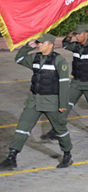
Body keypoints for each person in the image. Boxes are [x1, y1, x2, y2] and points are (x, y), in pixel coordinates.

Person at [0, 34, 73, 169]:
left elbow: (64, 83)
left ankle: (67, 154)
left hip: (51, 101)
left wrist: (63, 104)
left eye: (41, 43)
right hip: (34, 100)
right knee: (22, 127)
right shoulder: (35, 57)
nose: (39, 45)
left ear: (50, 44)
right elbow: (19, 58)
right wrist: (28, 46)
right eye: (38, 43)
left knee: (60, 129)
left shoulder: (59, 60)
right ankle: (12, 157)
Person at [40, 25, 88, 143]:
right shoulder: (76, 46)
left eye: (79, 34)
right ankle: (56, 130)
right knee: (64, 105)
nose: (76, 36)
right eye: (76, 34)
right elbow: (65, 45)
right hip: (76, 83)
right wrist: (68, 36)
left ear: (86, 34)